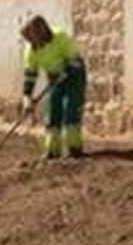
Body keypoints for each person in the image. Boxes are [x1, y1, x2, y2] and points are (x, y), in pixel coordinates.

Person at [20, 15, 87, 159]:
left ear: (41, 31)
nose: (30, 42)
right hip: (54, 77)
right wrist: (27, 98)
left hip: (74, 75)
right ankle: (52, 150)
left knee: (70, 109)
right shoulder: (31, 50)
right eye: (27, 39)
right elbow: (30, 75)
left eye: (32, 37)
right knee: (53, 110)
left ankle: (74, 149)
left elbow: (75, 61)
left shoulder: (61, 37)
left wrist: (66, 71)